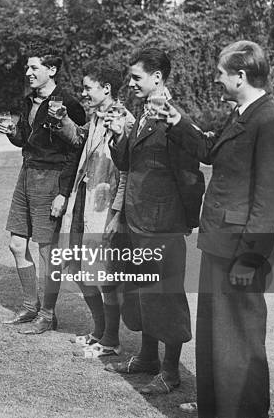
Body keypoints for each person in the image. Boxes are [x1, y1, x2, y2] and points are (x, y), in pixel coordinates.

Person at [160, 41, 274, 418]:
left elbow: (271, 198)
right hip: (220, 241)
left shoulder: (270, 121)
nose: (216, 79)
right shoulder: (243, 113)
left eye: (221, 73)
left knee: (241, 339)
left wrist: (250, 257)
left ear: (240, 76)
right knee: (217, 337)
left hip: (241, 249)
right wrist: (177, 121)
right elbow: (211, 149)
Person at [104, 48, 204, 395]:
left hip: (162, 223)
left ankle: (170, 372)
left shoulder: (175, 119)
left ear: (157, 78)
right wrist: (118, 135)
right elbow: (128, 162)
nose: (130, 83)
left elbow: (191, 175)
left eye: (136, 78)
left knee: (166, 295)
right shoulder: (143, 113)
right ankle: (148, 359)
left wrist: (184, 219)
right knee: (142, 291)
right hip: (137, 218)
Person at [51, 61, 135, 357]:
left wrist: (117, 213)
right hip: (83, 201)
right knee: (78, 268)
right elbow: (79, 141)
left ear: (106, 89)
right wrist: (62, 120)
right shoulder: (97, 117)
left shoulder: (123, 119)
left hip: (105, 206)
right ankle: (99, 331)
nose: (83, 93)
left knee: (105, 275)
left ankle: (111, 340)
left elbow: (127, 172)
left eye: (88, 87)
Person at [0, 54, 85, 334]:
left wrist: (63, 192)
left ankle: (47, 315)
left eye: (34, 68)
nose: (28, 72)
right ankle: (30, 306)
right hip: (26, 174)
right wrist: (12, 132)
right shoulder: (29, 100)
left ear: (52, 70)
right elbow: (25, 138)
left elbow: (75, 151)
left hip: (51, 179)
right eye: (27, 67)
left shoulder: (69, 103)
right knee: (16, 244)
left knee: (47, 251)